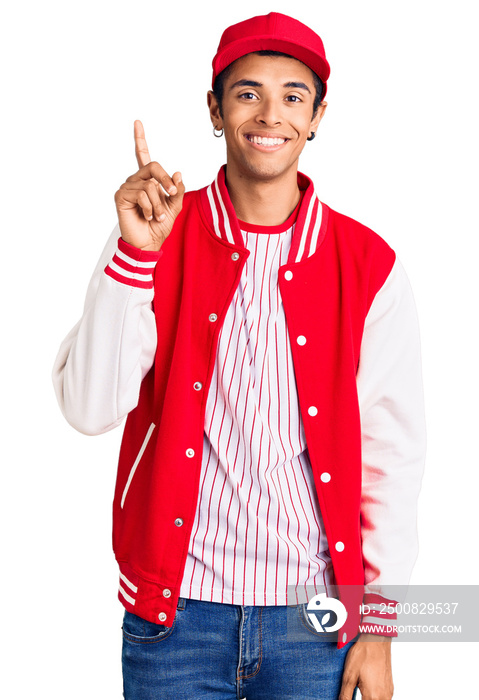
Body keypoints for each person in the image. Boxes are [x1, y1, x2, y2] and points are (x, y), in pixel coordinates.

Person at [52, 11, 426, 700]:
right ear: (215, 109)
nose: (270, 113)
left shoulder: (367, 264)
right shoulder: (155, 232)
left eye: (292, 95)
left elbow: (391, 459)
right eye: (247, 92)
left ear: (316, 117)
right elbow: (87, 409)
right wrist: (136, 254)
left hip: (313, 621)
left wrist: (378, 625)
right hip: (174, 616)